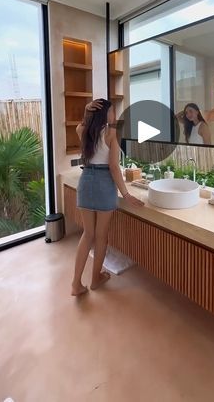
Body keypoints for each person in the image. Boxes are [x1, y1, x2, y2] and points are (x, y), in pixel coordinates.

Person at [71, 98, 144, 296]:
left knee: (88, 234)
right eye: (112, 111)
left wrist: (87, 111)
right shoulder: (112, 133)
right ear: (105, 114)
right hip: (104, 184)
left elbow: (81, 124)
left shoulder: (83, 131)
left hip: (86, 181)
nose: (114, 115)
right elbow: (113, 167)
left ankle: (76, 284)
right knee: (101, 235)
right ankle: (96, 279)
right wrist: (126, 194)